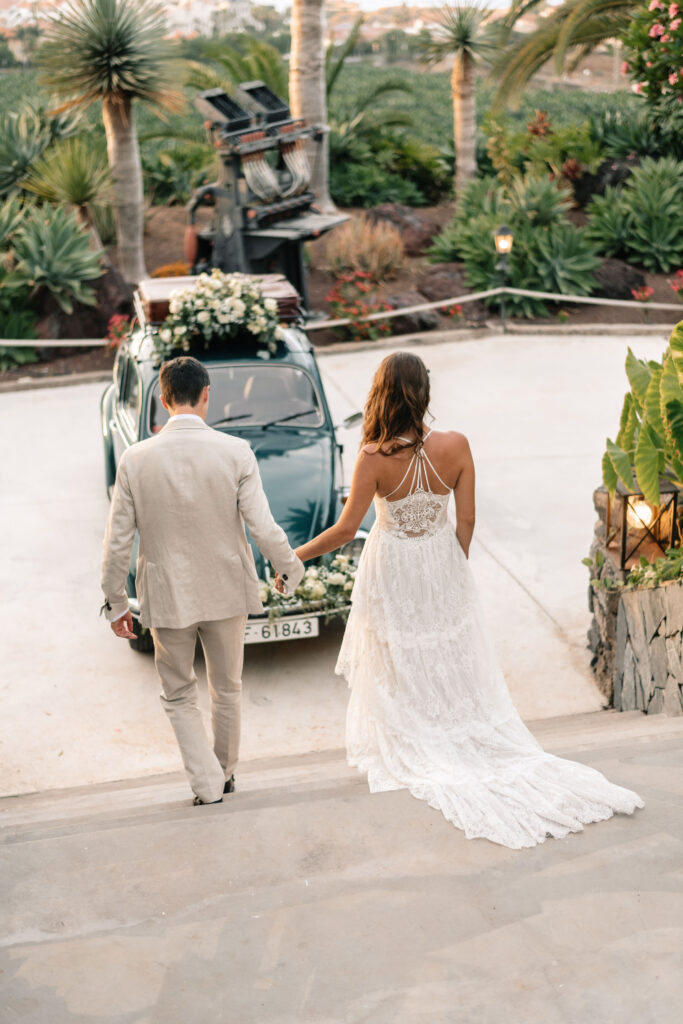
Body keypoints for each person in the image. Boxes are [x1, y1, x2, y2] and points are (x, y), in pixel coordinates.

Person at [278, 351, 644, 849]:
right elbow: (466, 520)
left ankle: (420, 735)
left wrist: (294, 558)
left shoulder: (373, 457)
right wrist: (452, 564)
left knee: (401, 654)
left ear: (380, 394)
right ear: (424, 392)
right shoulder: (457, 444)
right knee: (447, 651)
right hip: (441, 560)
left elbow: (346, 530)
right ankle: (455, 729)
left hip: (394, 566)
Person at [101, 356, 304, 806]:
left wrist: (116, 603)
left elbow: (117, 543)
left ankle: (207, 784)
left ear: (162, 399)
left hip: (167, 595)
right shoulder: (236, 452)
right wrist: (289, 568)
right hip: (227, 589)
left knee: (177, 694)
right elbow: (263, 527)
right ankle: (225, 773)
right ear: (207, 395)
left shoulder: (135, 459)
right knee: (227, 688)